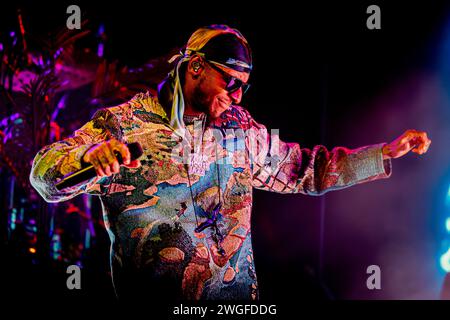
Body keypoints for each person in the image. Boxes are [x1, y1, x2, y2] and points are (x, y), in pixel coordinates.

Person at [30, 24, 431, 301]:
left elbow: (306, 170)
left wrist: (381, 154)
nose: (239, 96)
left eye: (245, 85)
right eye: (231, 82)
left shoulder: (241, 129)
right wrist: (86, 157)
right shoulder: (122, 125)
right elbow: (44, 178)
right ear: (197, 68)